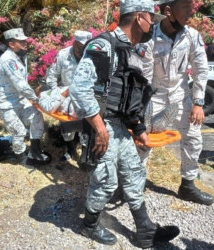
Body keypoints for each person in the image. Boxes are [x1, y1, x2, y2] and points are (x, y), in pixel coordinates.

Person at [69, 0, 179, 248]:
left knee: (134, 172)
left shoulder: (131, 49)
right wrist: (98, 128)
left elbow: (129, 95)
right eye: (152, 19)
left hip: (120, 126)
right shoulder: (103, 45)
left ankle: (145, 230)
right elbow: (79, 89)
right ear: (140, 17)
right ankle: (89, 224)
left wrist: (138, 128)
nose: (153, 26)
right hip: (100, 124)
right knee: (107, 180)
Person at [138, 0, 214, 205]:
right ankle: (133, 184)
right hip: (154, 95)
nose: (191, 11)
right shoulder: (148, 36)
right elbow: (141, 74)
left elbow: (201, 70)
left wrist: (198, 102)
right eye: (186, 7)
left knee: (193, 138)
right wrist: (138, 107)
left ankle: (188, 186)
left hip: (181, 96)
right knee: (142, 142)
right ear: (169, 11)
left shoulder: (192, 36)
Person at [0, 28, 51, 166]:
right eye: (21, 41)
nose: (26, 43)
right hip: (6, 104)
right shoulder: (8, 60)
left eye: (25, 40)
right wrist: (38, 100)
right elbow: (22, 86)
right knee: (18, 131)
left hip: (19, 100)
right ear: (11, 44)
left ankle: (35, 151)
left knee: (36, 117)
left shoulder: (20, 56)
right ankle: (22, 158)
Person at [45, 30, 92, 161]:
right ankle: (70, 149)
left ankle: (84, 153)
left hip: (87, 97)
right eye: (82, 45)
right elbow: (51, 76)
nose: (85, 48)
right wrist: (56, 96)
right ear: (75, 43)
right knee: (67, 126)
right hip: (66, 97)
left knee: (87, 126)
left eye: (88, 45)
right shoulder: (63, 55)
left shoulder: (92, 55)